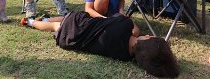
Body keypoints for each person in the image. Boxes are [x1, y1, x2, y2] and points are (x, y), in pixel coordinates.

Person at [21, 11, 180, 78]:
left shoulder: (126, 25)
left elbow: (118, 19)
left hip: (80, 24)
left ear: (148, 38)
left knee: (65, 18)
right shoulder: (124, 56)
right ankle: (32, 22)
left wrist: (135, 28)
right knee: (55, 27)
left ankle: (35, 20)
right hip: (72, 40)